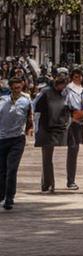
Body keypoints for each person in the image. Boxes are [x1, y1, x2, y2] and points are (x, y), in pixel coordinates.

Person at [34, 74, 71, 193]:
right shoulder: (46, 93)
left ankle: (46, 184)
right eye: (62, 85)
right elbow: (37, 109)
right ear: (57, 84)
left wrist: (65, 121)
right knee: (47, 158)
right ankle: (49, 184)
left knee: (47, 158)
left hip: (57, 129)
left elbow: (66, 110)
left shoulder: (63, 95)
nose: (63, 88)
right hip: (46, 129)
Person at [0, 75, 32, 210]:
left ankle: (9, 197)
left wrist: (30, 129)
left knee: (12, 169)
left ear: (22, 86)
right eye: (14, 87)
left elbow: (29, 118)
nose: (17, 89)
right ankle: (1, 194)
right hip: (1, 139)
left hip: (17, 139)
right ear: (11, 87)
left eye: (19, 87)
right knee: (2, 171)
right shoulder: (2, 101)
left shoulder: (26, 101)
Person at [62, 67, 83, 190]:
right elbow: (63, 105)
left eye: (80, 76)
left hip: (80, 122)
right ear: (71, 77)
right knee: (72, 150)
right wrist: (70, 116)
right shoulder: (67, 90)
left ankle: (71, 180)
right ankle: (70, 180)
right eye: (75, 76)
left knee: (74, 150)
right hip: (70, 122)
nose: (78, 78)